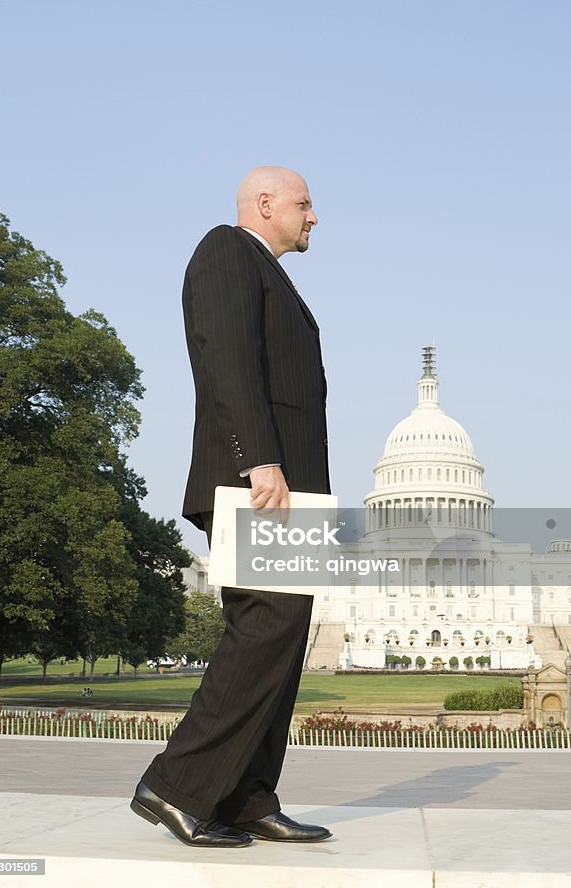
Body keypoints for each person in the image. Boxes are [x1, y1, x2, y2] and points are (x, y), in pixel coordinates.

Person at [130, 166, 332, 848]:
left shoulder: (270, 273)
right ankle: (177, 785)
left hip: (288, 487)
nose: (314, 217)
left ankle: (245, 795)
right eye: (304, 204)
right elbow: (226, 356)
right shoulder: (225, 249)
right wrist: (256, 457)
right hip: (258, 480)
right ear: (265, 202)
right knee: (266, 622)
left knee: (281, 631)